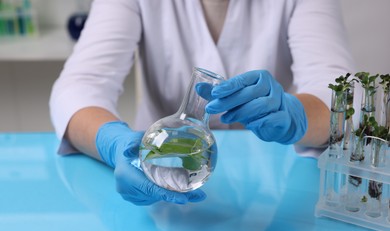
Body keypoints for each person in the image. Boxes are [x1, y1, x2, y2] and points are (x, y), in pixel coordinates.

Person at [49, 0, 356, 206]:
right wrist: (112, 142)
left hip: (277, 189)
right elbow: (80, 86)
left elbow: (340, 92)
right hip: (161, 167)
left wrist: (297, 115)